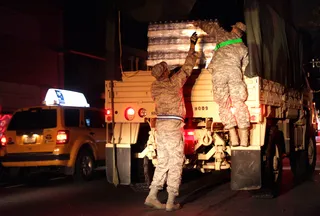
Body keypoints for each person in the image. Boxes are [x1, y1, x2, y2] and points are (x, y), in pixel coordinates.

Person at [144, 32, 199, 212]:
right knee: (176, 162)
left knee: (163, 162)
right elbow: (188, 67)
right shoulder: (174, 83)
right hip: (174, 126)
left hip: (161, 126)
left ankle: (152, 195)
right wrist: (192, 46)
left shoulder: (154, 87)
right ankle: (170, 201)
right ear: (166, 72)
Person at [194, 20, 250, 147]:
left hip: (219, 74)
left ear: (234, 29)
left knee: (223, 104)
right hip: (235, 73)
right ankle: (244, 138)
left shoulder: (222, 35)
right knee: (239, 103)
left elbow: (210, 28)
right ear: (241, 34)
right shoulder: (243, 47)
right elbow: (245, 67)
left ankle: (233, 136)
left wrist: (199, 23)